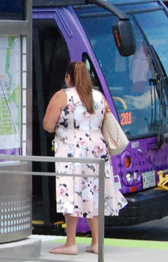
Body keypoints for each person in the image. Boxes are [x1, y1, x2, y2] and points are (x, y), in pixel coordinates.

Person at [43, 61, 127, 255]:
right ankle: (97, 242)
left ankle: (71, 242)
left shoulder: (62, 96)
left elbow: (48, 125)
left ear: (68, 78)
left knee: (71, 192)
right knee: (94, 192)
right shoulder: (98, 97)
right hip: (98, 149)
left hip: (71, 150)